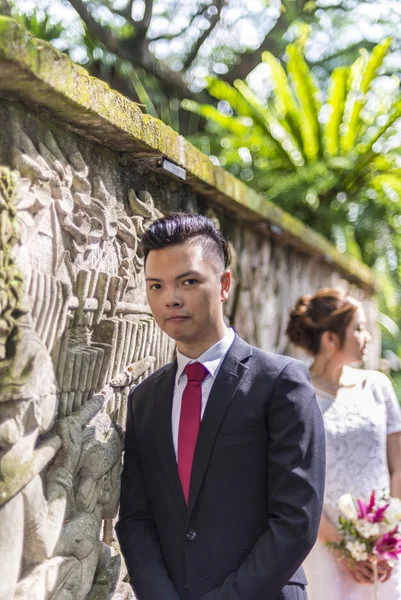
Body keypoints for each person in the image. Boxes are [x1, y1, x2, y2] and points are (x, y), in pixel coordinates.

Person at [116, 212, 326, 600]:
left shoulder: (281, 383)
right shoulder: (144, 400)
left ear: (224, 284)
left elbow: (296, 521)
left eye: (189, 281)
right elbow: (135, 519)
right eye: (155, 286)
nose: (170, 298)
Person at [286, 288, 401, 599]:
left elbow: (398, 466)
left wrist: (388, 536)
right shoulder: (296, 395)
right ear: (330, 339)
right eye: (359, 329)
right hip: (325, 548)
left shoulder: (377, 386)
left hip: (385, 547)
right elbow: (297, 483)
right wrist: (342, 549)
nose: (367, 337)